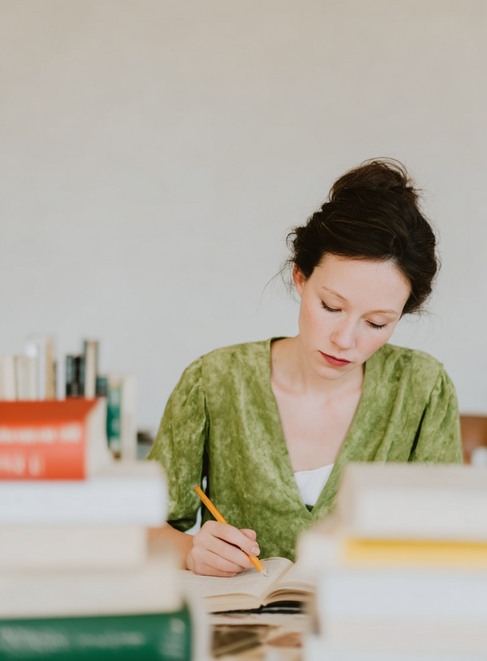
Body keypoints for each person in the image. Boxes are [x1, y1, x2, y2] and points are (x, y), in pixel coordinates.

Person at [147, 159, 462, 576]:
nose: (345, 340)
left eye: (376, 323)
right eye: (331, 306)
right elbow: (142, 528)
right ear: (300, 278)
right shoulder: (214, 381)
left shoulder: (423, 388)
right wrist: (190, 550)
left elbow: (447, 539)